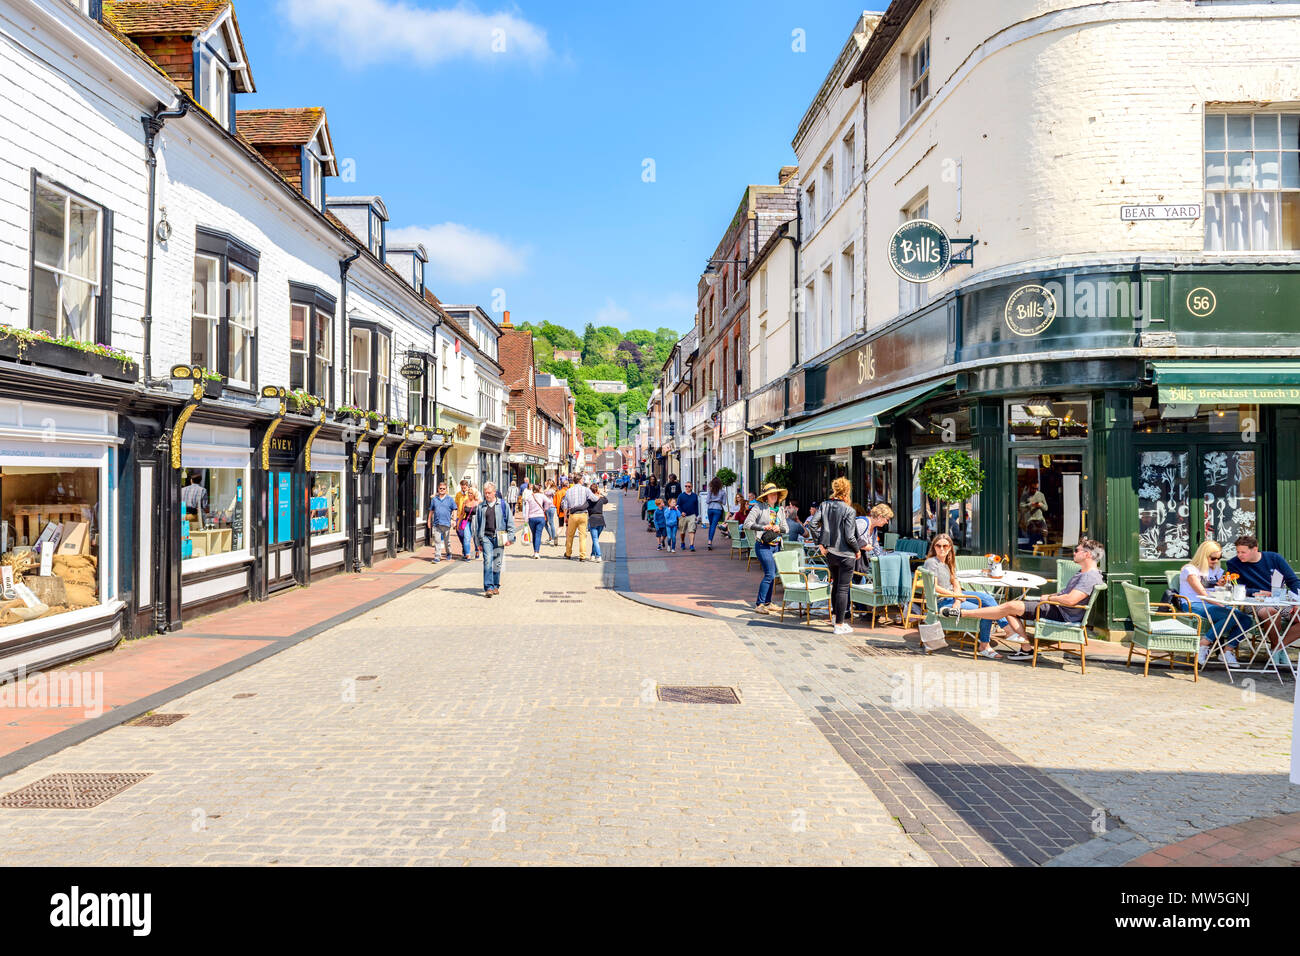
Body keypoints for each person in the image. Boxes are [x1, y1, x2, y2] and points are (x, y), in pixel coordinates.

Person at [940, 539, 1105, 660]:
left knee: (1010, 606)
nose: (1074, 553)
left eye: (1077, 550)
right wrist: (1052, 598)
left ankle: (963, 613)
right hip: (1056, 608)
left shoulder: (1090, 576)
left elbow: (1070, 600)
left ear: (1087, 554)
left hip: (1062, 613)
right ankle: (1026, 648)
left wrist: (1050, 597)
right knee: (1009, 608)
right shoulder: (1083, 572)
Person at [923, 533, 1007, 658]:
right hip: (942, 600)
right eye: (938, 545)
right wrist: (956, 596)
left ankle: (1006, 627)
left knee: (988, 599)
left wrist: (958, 599)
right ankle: (984, 646)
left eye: (945, 546)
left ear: (950, 547)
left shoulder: (948, 562)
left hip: (953, 596)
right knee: (986, 611)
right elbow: (935, 587)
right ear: (933, 547)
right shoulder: (932, 562)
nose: (941, 549)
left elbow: (955, 582)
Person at [1225, 535, 1300, 666]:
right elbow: (1236, 588)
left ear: (1255, 549)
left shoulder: (1274, 558)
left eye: (1243, 552)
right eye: (1237, 552)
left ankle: (1277, 649)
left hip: (1279, 599)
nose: (1239, 555)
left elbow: (1293, 581)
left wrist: (1297, 602)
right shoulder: (1233, 563)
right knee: (1270, 612)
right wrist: (1257, 592)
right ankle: (1277, 651)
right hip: (1252, 601)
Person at [804, 477, 860, 635]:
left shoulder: (825, 505)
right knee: (842, 588)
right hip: (846, 554)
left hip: (830, 553)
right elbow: (850, 536)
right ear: (847, 491)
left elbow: (812, 524)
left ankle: (836, 618)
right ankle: (840, 625)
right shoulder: (849, 510)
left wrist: (820, 544)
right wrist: (857, 550)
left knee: (836, 585)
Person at [1179, 539, 1246, 667]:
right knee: (1230, 615)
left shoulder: (1216, 570)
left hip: (1213, 603)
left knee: (1246, 619)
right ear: (1203, 556)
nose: (1215, 561)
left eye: (1218, 558)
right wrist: (1220, 604)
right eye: (1213, 558)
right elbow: (1202, 594)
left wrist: (1223, 585)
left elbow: (1221, 591)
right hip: (1194, 604)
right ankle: (1203, 645)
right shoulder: (1190, 570)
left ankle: (1227, 651)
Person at [744, 482, 789, 615]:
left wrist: (778, 528)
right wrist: (763, 527)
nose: (774, 496)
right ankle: (760, 604)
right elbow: (747, 524)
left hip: (776, 546)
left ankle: (768, 603)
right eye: (771, 494)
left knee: (773, 574)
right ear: (766, 496)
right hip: (763, 545)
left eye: (775, 494)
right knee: (769, 573)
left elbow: (786, 528)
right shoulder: (759, 507)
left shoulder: (780, 510)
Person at [471, 482, 515, 597]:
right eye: (485, 493)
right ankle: (488, 587)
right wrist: (478, 543)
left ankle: (496, 585)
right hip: (486, 537)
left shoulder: (503, 505)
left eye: (489, 493)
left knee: (497, 562)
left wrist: (510, 538)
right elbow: (476, 526)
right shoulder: (481, 506)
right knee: (487, 561)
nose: (487, 495)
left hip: (500, 536)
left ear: (494, 492)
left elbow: (510, 522)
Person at [562, 474, 597, 561]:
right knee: (582, 536)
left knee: (570, 536)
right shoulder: (586, 490)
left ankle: (568, 554)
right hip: (583, 515)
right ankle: (582, 556)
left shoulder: (568, 491)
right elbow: (594, 499)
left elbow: (565, 505)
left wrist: (565, 517)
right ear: (580, 480)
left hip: (573, 515)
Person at [428, 481, 457, 563]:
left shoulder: (450, 499)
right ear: (438, 489)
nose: (442, 490)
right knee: (437, 541)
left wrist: (454, 520)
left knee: (447, 541)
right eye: (440, 488)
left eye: (443, 489)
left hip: (447, 523)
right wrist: (429, 520)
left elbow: (455, 509)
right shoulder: (434, 499)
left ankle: (449, 553)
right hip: (437, 523)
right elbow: (431, 511)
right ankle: (437, 556)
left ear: (446, 490)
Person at [522, 482, 549, 559]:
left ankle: (535, 552)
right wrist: (545, 508)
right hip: (540, 517)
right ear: (539, 489)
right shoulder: (542, 496)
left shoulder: (529, 497)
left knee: (534, 535)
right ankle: (537, 552)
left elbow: (526, 510)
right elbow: (549, 502)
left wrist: (526, 520)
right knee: (538, 535)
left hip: (531, 518)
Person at [1021, 480, 1049, 546]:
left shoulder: (1041, 495)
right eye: (1033, 488)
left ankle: (1042, 550)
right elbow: (1021, 506)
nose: (1035, 490)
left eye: (1036, 488)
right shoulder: (1025, 496)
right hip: (1030, 519)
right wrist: (1030, 504)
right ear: (1029, 487)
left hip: (1040, 519)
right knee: (1033, 533)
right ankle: (1032, 551)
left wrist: (1040, 505)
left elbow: (1046, 508)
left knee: (1044, 532)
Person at [456, 488, 480, 561]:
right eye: (468, 493)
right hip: (466, 522)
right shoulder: (465, 502)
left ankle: (477, 550)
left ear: (474, 494)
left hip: (475, 522)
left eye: (471, 493)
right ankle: (467, 555)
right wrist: (458, 523)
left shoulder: (478, 502)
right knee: (466, 538)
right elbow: (462, 514)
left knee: (476, 538)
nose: (469, 494)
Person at [704, 478, 729, 550]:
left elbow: (707, 501)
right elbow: (724, 503)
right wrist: (718, 500)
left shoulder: (710, 491)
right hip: (718, 509)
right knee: (713, 526)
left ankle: (709, 541)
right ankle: (709, 541)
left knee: (711, 525)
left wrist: (712, 499)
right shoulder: (723, 492)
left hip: (710, 509)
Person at [588, 482, 608, 562]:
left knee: (595, 539)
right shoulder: (600, 498)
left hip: (593, 519)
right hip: (600, 520)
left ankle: (598, 556)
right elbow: (606, 500)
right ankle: (592, 555)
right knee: (595, 539)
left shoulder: (589, 500)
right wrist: (601, 494)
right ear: (597, 490)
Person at [677, 481, 700, 551]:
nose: (687, 487)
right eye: (686, 486)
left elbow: (696, 506)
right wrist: (681, 512)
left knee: (692, 530)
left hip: (692, 515)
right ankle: (682, 542)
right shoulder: (681, 495)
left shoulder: (694, 496)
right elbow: (678, 505)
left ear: (691, 487)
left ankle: (691, 545)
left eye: (689, 486)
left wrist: (696, 515)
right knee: (682, 532)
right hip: (683, 516)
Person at [543, 479, 560, 546]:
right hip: (547, 508)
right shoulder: (550, 489)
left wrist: (547, 487)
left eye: (546, 483)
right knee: (545, 523)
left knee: (551, 522)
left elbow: (545, 493)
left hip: (550, 507)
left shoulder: (551, 490)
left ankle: (553, 538)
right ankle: (551, 537)